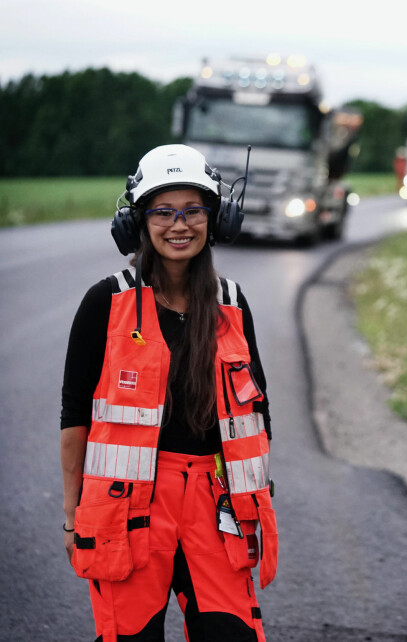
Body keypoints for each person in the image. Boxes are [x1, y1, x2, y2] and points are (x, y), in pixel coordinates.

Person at [60, 144, 278, 641]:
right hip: (131, 508)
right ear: (137, 221)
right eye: (162, 211)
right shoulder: (106, 302)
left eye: (193, 210)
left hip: (214, 505)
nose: (179, 225)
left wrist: (254, 501)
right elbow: (75, 417)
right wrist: (74, 520)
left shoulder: (231, 303)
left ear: (215, 218)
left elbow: (256, 412)